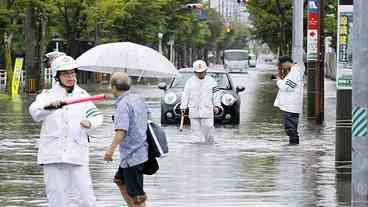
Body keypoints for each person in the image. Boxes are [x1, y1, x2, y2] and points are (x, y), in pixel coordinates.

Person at [29, 55, 103, 206]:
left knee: (86, 199)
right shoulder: (46, 96)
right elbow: (35, 112)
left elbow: (97, 116)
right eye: (65, 73)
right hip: (52, 155)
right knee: (57, 199)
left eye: (72, 73)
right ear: (57, 76)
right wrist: (50, 107)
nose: (70, 77)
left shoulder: (82, 95)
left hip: (77, 154)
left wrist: (90, 123)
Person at [104, 72, 149, 207]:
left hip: (132, 156)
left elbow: (121, 130)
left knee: (138, 197)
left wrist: (110, 151)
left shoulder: (123, 105)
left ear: (113, 87)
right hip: (140, 151)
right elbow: (148, 118)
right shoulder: (138, 99)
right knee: (120, 180)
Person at [180, 60, 222, 143]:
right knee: (196, 135)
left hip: (207, 111)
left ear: (205, 71)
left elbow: (216, 94)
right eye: (198, 72)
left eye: (202, 72)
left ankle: (209, 150)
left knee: (209, 134)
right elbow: (185, 95)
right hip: (194, 111)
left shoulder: (212, 81)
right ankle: (196, 152)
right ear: (194, 72)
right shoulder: (190, 82)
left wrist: (217, 105)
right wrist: (183, 106)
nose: (200, 74)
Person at [273, 56, 304, 145]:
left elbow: (288, 87)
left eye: (282, 65)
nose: (282, 67)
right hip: (290, 105)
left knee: (291, 129)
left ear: (286, 62)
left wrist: (278, 81)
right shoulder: (294, 71)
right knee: (291, 128)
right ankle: (293, 150)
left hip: (291, 106)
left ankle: (294, 147)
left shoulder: (295, 72)